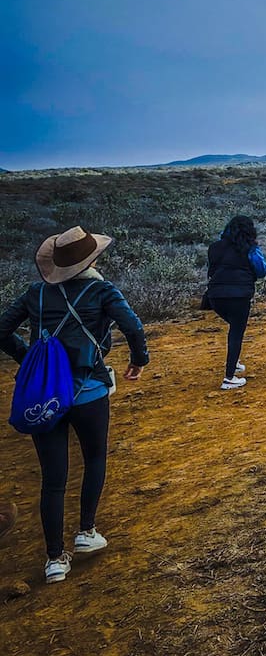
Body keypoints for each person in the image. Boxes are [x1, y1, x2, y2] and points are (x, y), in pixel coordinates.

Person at [0, 226, 150, 584]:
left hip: (46, 397)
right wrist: (138, 360)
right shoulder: (102, 290)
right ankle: (86, 531)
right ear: (90, 261)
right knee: (94, 458)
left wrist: (29, 358)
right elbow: (133, 327)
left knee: (53, 480)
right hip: (88, 390)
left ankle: (54, 559)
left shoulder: (36, 293)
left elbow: (2, 329)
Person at [205, 215, 266, 390]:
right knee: (236, 333)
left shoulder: (215, 247)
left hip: (215, 296)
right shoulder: (249, 247)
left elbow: (211, 270)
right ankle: (229, 377)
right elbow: (261, 270)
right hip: (239, 295)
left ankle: (234, 361)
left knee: (234, 328)